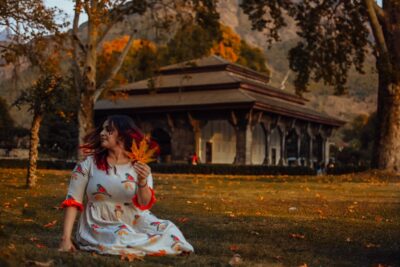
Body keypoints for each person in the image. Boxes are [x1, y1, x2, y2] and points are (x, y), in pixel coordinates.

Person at [58, 115, 194, 257]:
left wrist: (142, 181)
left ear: (122, 136)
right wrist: (66, 239)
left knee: (169, 229)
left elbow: (144, 204)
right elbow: (73, 201)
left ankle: (143, 244)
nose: (102, 133)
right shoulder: (88, 164)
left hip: (135, 218)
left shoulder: (139, 166)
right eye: (102, 129)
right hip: (99, 223)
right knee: (121, 235)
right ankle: (151, 245)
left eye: (108, 130)